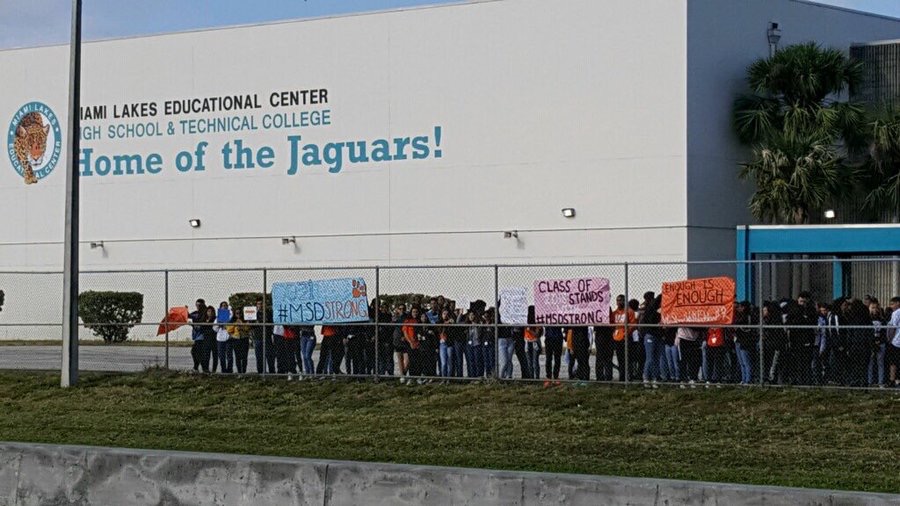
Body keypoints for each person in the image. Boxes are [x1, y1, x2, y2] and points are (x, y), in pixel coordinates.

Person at [610, 295, 636, 382]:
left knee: (628, 359)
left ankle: (630, 377)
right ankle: (622, 378)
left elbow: (633, 324)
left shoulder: (629, 311)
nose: (618, 302)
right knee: (620, 360)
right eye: (617, 300)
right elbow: (612, 325)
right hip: (617, 339)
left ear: (624, 301)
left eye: (620, 300)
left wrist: (626, 333)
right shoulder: (615, 313)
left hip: (626, 339)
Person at [640, 292, 662, 386]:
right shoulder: (649, 309)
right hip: (650, 335)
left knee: (656, 358)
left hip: (658, 336)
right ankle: (646, 377)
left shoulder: (658, 310)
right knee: (650, 358)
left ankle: (654, 378)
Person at [250, 299, 275, 374]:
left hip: (267, 336)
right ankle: (260, 372)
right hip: (258, 337)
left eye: (261, 304)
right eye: (258, 304)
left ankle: (272, 371)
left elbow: (271, 323)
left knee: (269, 355)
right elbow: (251, 325)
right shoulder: (254, 314)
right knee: (259, 356)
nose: (260, 305)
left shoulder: (268, 313)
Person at [868, 301, 886, 387]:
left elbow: (884, 332)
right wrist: (872, 341)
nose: (874, 310)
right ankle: (869, 382)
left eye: (876, 308)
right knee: (870, 363)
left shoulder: (882, 319)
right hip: (871, 343)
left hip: (880, 343)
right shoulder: (867, 319)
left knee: (880, 363)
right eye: (872, 308)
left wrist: (880, 340)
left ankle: (880, 382)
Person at [188, 299, 209, 372]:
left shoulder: (205, 313)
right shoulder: (196, 313)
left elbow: (201, 325)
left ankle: (198, 368)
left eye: (199, 305)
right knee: (197, 352)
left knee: (195, 351)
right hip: (196, 335)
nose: (197, 306)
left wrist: (193, 325)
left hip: (202, 335)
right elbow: (188, 315)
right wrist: (185, 310)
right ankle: (201, 368)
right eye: (196, 305)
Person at [214, 303, 233, 374]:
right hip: (220, 338)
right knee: (221, 356)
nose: (224, 307)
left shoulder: (230, 316)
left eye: (225, 306)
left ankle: (230, 370)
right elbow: (214, 329)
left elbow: (232, 327)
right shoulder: (217, 318)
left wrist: (227, 326)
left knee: (229, 355)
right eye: (222, 306)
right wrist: (219, 325)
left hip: (228, 338)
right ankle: (223, 370)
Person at [886, 296, 900, 388]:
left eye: (892, 304)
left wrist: (889, 339)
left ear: (898, 303)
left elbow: (893, 328)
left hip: (896, 341)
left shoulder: (896, 313)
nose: (891, 306)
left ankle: (892, 380)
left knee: (893, 362)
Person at [202, 306, 218, 373]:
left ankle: (214, 370)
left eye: (211, 312)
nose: (210, 313)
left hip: (214, 340)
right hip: (206, 340)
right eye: (208, 311)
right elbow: (202, 329)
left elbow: (215, 329)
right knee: (206, 355)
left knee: (215, 356)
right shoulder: (204, 319)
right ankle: (206, 369)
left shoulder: (215, 319)